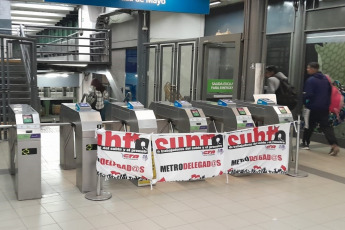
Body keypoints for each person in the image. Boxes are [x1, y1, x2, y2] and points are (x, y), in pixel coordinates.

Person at [301, 62, 340, 156]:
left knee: (309, 125)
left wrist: (305, 101)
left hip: (312, 107)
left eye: (308, 68)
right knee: (326, 127)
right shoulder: (326, 80)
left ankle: (305, 143)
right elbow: (330, 93)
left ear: (314, 69)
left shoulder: (311, 80)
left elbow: (308, 94)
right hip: (324, 107)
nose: (307, 69)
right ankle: (334, 144)